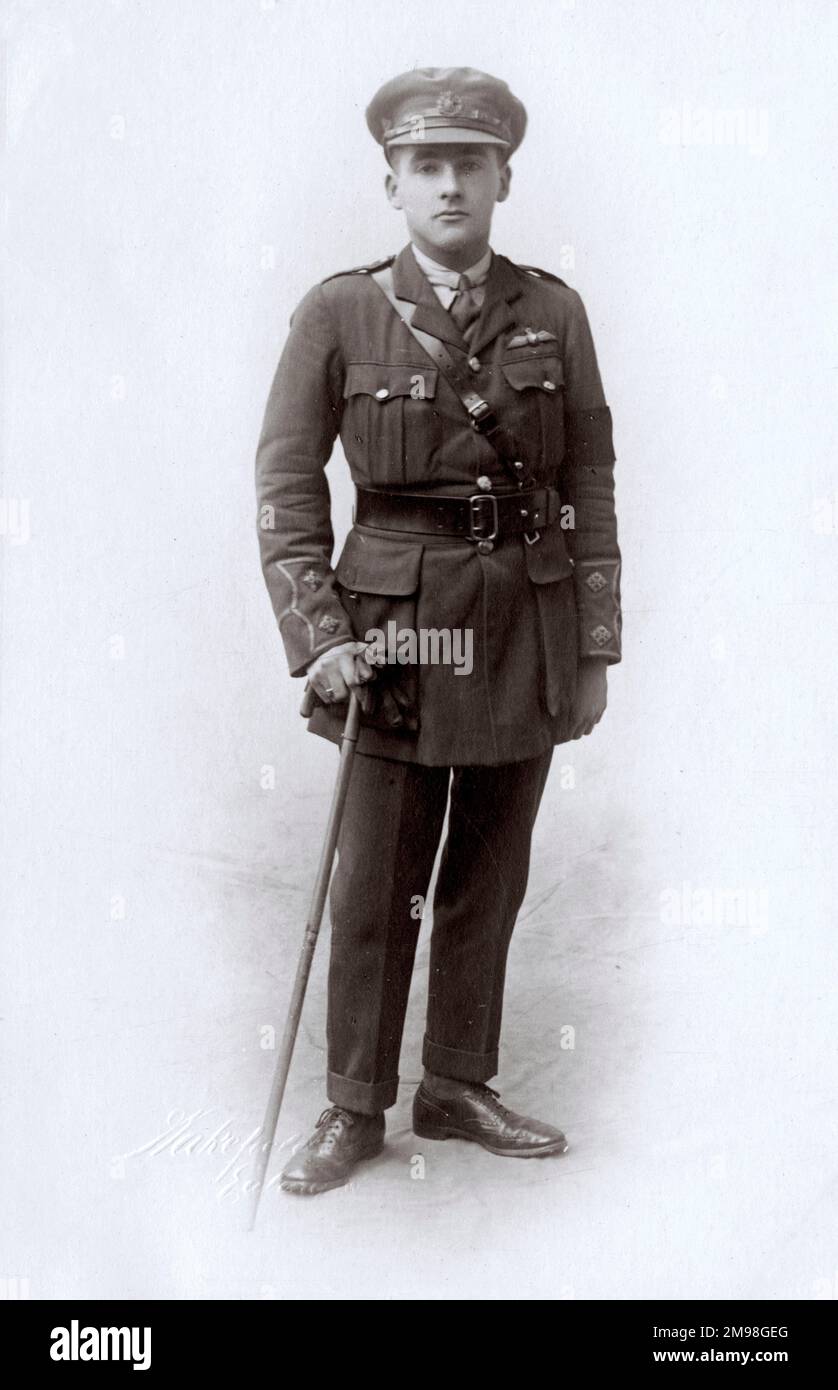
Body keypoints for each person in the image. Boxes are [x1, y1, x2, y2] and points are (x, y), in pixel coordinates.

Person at [255, 67, 621, 1195]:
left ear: (503, 177)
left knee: (488, 871)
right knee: (377, 879)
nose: (450, 183)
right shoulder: (338, 311)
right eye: (428, 165)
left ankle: (456, 1082)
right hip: (393, 636)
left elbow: (591, 477)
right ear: (392, 183)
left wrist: (595, 640)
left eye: (471, 163)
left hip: (525, 627)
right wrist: (318, 634)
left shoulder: (552, 310)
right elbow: (284, 483)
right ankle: (353, 1105)